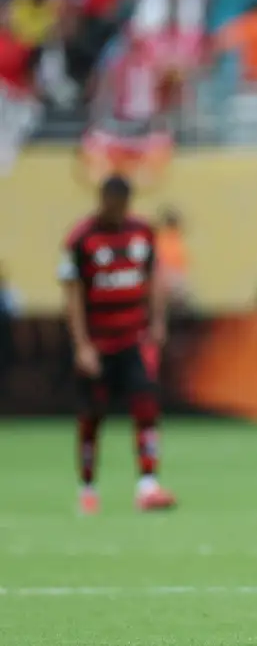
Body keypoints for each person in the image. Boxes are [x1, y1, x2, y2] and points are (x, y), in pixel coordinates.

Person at [58, 175, 176, 515]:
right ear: (102, 200)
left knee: (146, 407)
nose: (117, 210)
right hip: (97, 343)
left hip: (133, 339)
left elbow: (154, 277)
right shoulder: (82, 238)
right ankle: (88, 488)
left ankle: (148, 485)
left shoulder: (142, 232)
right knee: (92, 417)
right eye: (112, 203)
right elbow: (73, 293)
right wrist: (81, 344)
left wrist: (157, 321)